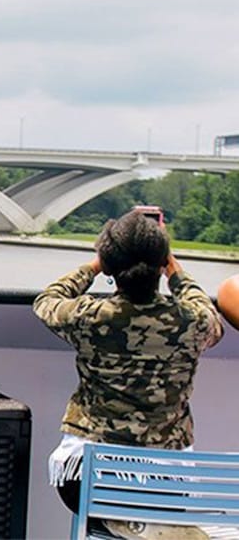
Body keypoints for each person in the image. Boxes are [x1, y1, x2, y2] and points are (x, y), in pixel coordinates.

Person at [34, 210, 223, 540]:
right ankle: (144, 523)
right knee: (157, 494)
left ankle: (122, 520)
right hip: (166, 488)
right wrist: (174, 269)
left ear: (110, 265)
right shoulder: (192, 322)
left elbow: (47, 300)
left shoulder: (89, 317)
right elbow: (203, 308)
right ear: (161, 262)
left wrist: (96, 266)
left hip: (91, 481)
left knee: (92, 480)